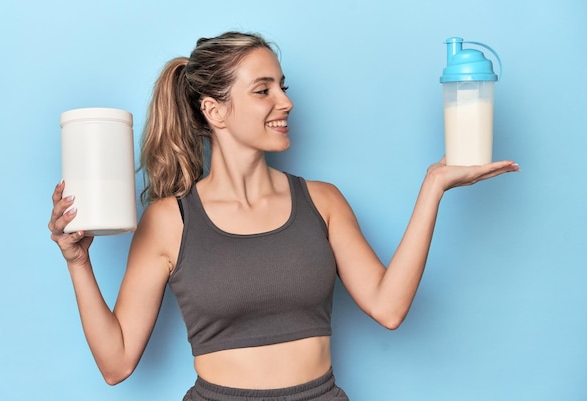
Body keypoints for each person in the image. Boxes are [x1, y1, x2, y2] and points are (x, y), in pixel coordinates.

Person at [48, 31, 518, 401]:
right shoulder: (170, 220)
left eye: (282, 86)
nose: (285, 102)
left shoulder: (323, 201)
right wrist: (78, 262)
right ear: (215, 110)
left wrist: (433, 185)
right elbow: (117, 364)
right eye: (262, 90)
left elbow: (389, 307)